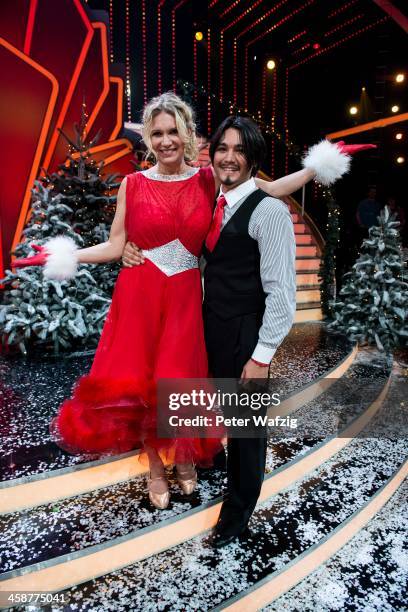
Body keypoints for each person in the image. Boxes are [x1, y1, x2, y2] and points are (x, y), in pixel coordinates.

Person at [14, 93, 365, 511]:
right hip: (140, 296)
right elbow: (115, 245)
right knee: (145, 384)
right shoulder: (133, 183)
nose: (165, 141)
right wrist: (63, 255)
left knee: (180, 383)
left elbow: (266, 190)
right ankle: (156, 469)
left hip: (184, 300)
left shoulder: (207, 179)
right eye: (156, 133)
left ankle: (184, 459)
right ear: (149, 137)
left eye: (172, 132)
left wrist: (315, 167)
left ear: (187, 134)